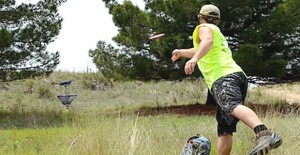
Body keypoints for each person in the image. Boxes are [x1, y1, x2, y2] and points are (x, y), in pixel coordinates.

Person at [171, 4, 282, 155]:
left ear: (200, 17)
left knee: (231, 105)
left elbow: (207, 42)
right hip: (237, 76)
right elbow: (204, 47)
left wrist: (194, 60)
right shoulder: (218, 34)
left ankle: (264, 134)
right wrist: (182, 52)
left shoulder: (204, 28)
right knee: (225, 128)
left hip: (223, 77)